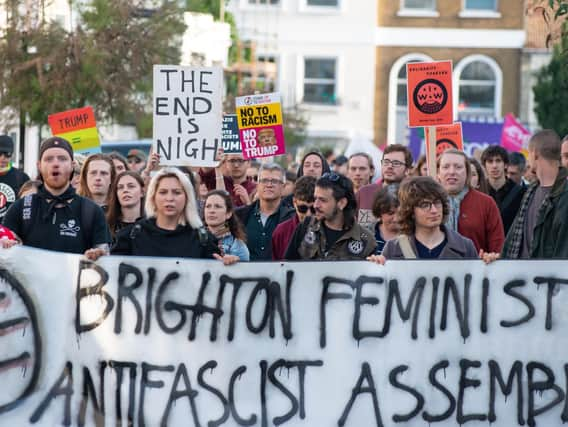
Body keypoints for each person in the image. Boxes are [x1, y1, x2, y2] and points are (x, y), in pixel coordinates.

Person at [2, 137, 111, 259]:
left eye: (62, 159)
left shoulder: (91, 211)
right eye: (49, 159)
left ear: (72, 165)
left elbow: (104, 255)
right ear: (39, 165)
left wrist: (98, 255)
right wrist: (8, 245)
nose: (55, 164)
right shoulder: (21, 207)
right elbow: (5, 249)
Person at [112, 167, 237, 264]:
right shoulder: (131, 236)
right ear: (153, 197)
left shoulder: (203, 240)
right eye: (163, 192)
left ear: (187, 197)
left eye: (177, 192)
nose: (169, 198)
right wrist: (98, 259)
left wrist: (228, 264)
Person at [368, 177, 478, 263]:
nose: (434, 210)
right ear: (411, 211)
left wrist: (489, 263)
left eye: (437, 203)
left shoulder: (465, 246)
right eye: (425, 205)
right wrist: (377, 268)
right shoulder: (394, 248)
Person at [502, 129, 568, 259]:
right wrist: (497, 260)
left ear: (535, 154)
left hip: (548, 278)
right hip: (519, 276)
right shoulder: (530, 191)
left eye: (528, 154)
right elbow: (512, 241)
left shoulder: (564, 196)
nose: (528, 160)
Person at [285, 172, 376, 260]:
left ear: (341, 203)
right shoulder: (306, 226)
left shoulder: (366, 241)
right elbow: (287, 267)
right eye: (315, 198)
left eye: (322, 200)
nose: (316, 205)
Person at [438, 149, 504, 253]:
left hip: (475, 268)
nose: (452, 172)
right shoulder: (429, 202)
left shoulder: (486, 203)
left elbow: (497, 248)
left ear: (467, 173)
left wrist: (491, 258)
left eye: (458, 167)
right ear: (438, 173)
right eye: (446, 167)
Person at [236, 163, 294, 261]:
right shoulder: (240, 215)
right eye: (264, 180)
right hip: (245, 275)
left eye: (275, 181)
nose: (269, 185)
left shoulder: (292, 218)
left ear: (283, 187)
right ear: (257, 185)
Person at [356, 144, 412, 230]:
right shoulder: (364, 192)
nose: (389, 166)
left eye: (396, 163)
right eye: (386, 162)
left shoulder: (412, 195)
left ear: (407, 170)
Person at [481, 145, 525, 234]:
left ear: (505, 165)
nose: (494, 166)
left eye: (498, 161)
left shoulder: (521, 192)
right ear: (484, 166)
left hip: (510, 245)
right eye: (490, 161)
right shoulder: (478, 192)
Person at [272, 176, 316, 260]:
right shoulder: (281, 231)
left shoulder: (328, 228)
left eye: (314, 209)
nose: (308, 214)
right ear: (294, 202)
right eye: (302, 208)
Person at [203, 190, 249, 261]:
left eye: (217, 206)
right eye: (208, 206)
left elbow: (246, 271)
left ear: (228, 214)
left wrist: (235, 264)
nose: (211, 210)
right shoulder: (194, 238)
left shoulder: (238, 246)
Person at [106, 171, 145, 238]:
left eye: (131, 186)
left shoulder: (153, 225)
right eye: (120, 187)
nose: (125, 190)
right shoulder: (105, 225)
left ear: (142, 192)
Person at [0, 135, 30, 220]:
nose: (2, 158)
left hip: (11, 229)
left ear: (12, 155)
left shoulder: (22, 178)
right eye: (0, 153)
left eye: (7, 154)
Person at [371, 187, 400, 255]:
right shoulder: (367, 235)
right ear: (380, 212)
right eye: (390, 213)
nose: (396, 218)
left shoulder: (412, 236)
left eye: (400, 213)